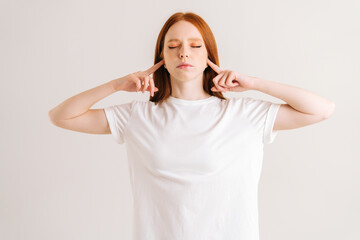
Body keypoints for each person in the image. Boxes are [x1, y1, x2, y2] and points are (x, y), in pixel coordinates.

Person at [48, 12, 335, 240]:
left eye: (195, 46)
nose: (184, 53)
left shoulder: (244, 114)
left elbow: (322, 110)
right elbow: (61, 116)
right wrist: (115, 85)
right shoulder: (138, 116)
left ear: (209, 56)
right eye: (173, 46)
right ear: (162, 58)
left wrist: (254, 84)